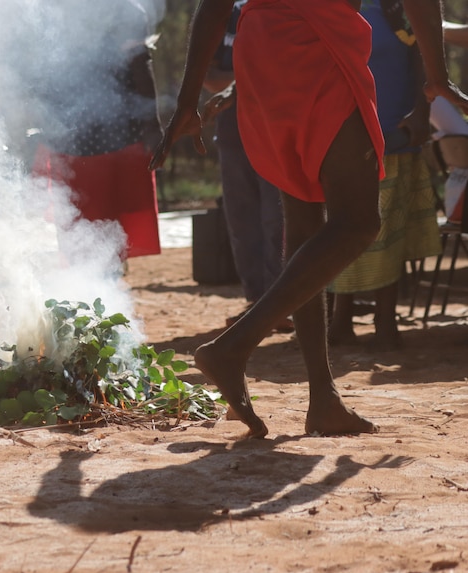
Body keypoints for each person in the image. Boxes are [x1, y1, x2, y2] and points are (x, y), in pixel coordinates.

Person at [150, 0, 468, 438]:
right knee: (357, 222)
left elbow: (214, 6)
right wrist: (437, 76)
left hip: (262, 52)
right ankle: (234, 347)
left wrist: (189, 100)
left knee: (304, 228)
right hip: (318, 49)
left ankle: (324, 399)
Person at [328, 0, 443, 351]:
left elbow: (424, 56)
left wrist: (422, 112)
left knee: (389, 229)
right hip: (345, 133)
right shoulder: (329, 8)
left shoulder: (399, 8)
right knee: (341, 229)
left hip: (396, 131)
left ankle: (385, 320)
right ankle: (340, 319)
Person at [31, 0, 163, 266]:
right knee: (82, 224)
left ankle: (104, 287)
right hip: (72, 138)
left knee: (105, 225)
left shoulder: (125, 10)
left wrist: (152, 124)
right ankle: (96, 286)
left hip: (116, 137)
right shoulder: (51, 9)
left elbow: (139, 65)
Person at [201, 0, 289, 331]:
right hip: (232, 131)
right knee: (242, 219)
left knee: (276, 217)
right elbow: (209, 78)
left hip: (275, 130)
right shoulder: (228, 13)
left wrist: (238, 77)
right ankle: (256, 302)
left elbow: (286, 69)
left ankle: (280, 304)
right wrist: (254, 73)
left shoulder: (282, 9)